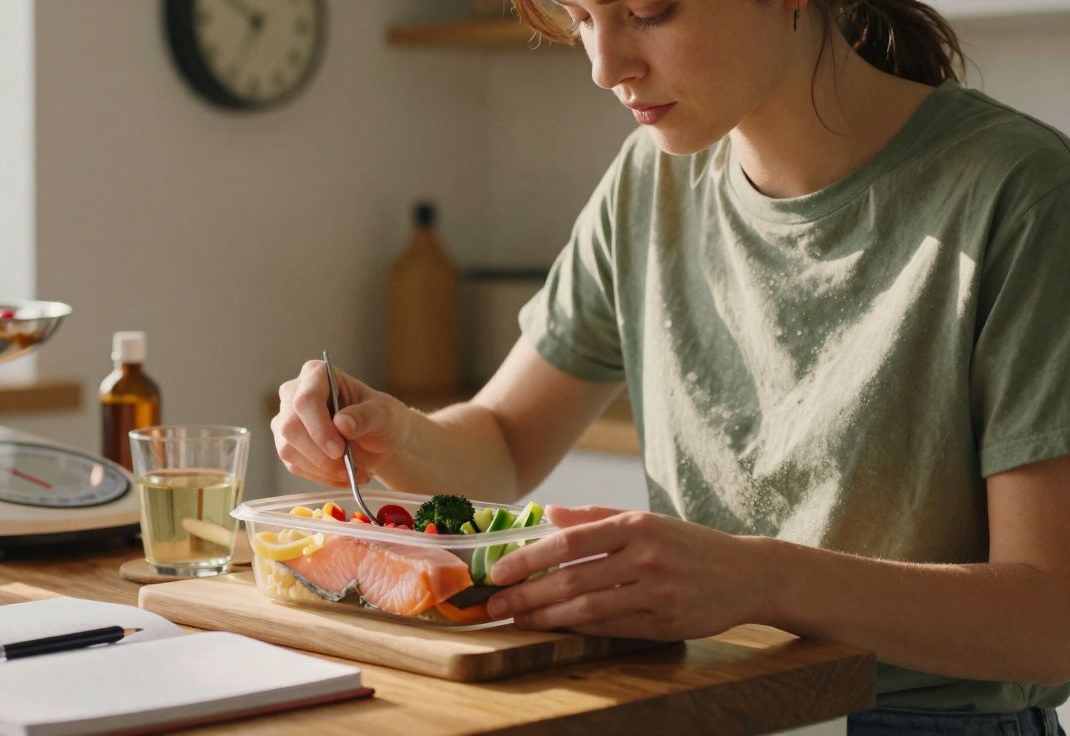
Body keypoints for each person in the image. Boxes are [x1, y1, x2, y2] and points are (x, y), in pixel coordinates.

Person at [271, 1, 1070, 732]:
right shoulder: (649, 178)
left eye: (648, 10)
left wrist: (763, 581)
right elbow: (507, 441)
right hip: (688, 703)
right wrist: (390, 434)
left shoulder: (1022, 195)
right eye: (582, 16)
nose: (604, 65)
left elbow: (1051, 621)